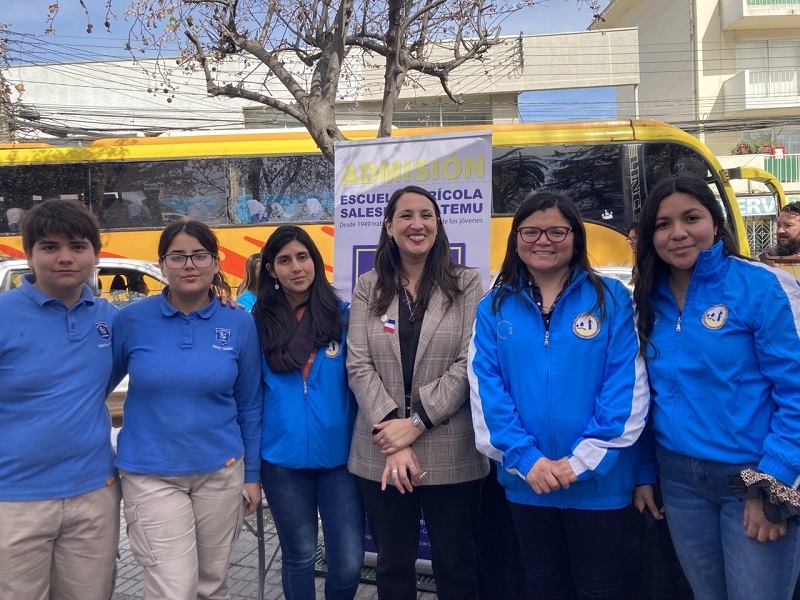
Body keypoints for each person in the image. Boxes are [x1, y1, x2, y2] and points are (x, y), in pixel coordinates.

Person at [469, 190, 649, 600]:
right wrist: (526, 459)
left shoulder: (612, 299)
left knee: (601, 587)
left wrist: (581, 462)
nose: (543, 240)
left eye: (556, 231)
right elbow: (486, 390)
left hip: (600, 486)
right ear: (516, 239)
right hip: (527, 482)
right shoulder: (493, 307)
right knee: (542, 584)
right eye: (531, 231)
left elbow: (628, 388)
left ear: (575, 236)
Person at [633, 174, 800, 600]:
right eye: (663, 224)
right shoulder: (648, 297)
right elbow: (644, 395)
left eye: (691, 218)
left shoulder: (763, 285)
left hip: (753, 475)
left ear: (715, 220)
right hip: (680, 480)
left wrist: (773, 482)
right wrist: (644, 472)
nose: (678, 233)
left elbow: (794, 390)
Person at [347, 185, 488, 600]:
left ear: (438, 224)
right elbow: (358, 363)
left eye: (426, 214)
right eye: (405, 215)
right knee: (391, 566)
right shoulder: (367, 287)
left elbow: (469, 363)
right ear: (389, 226)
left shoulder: (466, 284)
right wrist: (395, 434)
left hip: (451, 448)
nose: (417, 224)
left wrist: (415, 423)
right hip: (381, 448)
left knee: (457, 566)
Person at [111, 219, 263, 599]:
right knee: (173, 589)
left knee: (212, 585)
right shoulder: (130, 320)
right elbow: (94, 388)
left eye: (199, 255)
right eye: (177, 257)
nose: (189, 265)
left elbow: (249, 403)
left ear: (216, 262)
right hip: (151, 474)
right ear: (161, 264)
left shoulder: (240, 323)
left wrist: (252, 475)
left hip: (221, 472)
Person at [0, 199, 120, 599]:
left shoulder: (110, 318)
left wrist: (217, 299)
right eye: (50, 247)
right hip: (14, 501)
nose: (65, 258)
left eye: (78, 246)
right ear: (29, 255)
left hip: (94, 495)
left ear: (95, 254)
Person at [253, 225, 364, 599]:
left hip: (340, 461)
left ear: (316, 262)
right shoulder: (254, 322)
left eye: (303, 257)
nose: (295, 267)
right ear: (271, 269)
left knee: (348, 562)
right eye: (284, 260)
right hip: (280, 461)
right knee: (299, 557)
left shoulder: (344, 317)